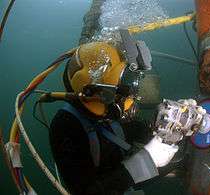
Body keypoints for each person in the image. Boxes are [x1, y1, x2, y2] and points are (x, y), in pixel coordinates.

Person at [49, 34, 198, 195]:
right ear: (97, 92)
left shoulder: (111, 113)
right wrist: (145, 161)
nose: (129, 100)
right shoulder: (65, 126)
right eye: (120, 89)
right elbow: (86, 191)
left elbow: (144, 132)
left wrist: (176, 123)